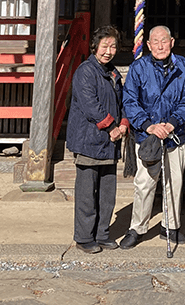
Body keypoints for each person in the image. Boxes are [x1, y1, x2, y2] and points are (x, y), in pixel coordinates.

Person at [119, 25, 185, 249]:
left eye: (164, 40)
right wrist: (149, 125)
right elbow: (130, 101)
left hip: (175, 134)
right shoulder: (138, 67)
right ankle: (137, 227)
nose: (160, 45)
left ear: (172, 42)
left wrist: (172, 123)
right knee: (144, 183)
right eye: (156, 41)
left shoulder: (183, 66)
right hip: (147, 135)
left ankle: (170, 226)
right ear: (149, 45)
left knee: (174, 182)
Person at [65, 25, 129, 253]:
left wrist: (123, 123)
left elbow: (122, 102)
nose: (108, 51)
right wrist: (111, 125)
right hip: (89, 140)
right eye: (104, 46)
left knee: (107, 194)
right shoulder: (85, 71)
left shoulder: (113, 73)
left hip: (110, 143)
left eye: (113, 47)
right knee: (86, 194)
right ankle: (84, 237)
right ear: (95, 47)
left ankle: (102, 234)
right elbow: (90, 105)